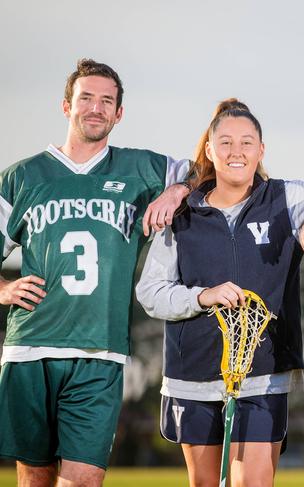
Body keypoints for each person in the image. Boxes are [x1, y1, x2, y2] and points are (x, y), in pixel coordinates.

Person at [135, 98, 304, 487]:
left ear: (261, 150)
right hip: (193, 374)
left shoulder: (285, 199)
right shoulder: (182, 214)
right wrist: (202, 296)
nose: (236, 152)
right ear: (209, 149)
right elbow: (150, 293)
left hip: (263, 372)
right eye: (225, 143)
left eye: (246, 142)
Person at [0, 58, 195, 486]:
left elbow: (209, 169)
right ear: (66, 105)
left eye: (107, 101)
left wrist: (177, 190)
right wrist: (3, 288)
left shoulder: (141, 168)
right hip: (30, 347)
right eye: (86, 98)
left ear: (118, 113)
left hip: (99, 352)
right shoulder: (23, 176)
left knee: (83, 480)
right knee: (34, 478)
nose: (96, 108)